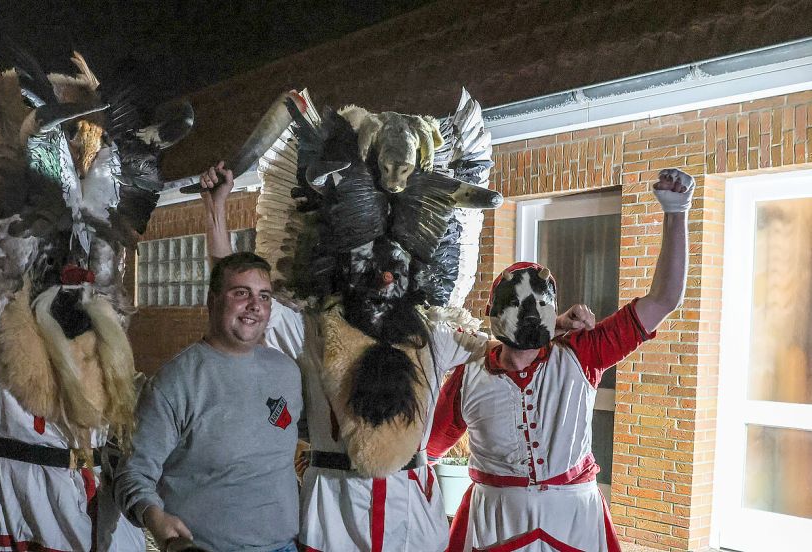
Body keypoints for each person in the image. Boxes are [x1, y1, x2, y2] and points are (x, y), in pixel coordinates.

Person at [198, 162, 592, 552]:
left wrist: (549, 322)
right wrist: (216, 210)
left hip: (414, 524)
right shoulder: (312, 331)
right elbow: (238, 288)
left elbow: (505, 346)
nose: (385, 277)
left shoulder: (434, 337)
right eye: (370, 264)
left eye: (396, 265)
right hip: (332, 520)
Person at [0, 87, 144, 551]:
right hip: (15, 509)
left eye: (84, 257)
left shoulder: (109, 339)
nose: (74, 271)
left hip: (102, 516)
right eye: (59, 255)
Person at [427, 168, 695, 552]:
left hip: (574, 521)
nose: (530, 315)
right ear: (493, 313)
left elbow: (663, 300)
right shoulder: (469, 372)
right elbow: (427, 452)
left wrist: (676, 211)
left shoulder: (583, 352)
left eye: (539, 307)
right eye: (519, 307)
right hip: (494, 522)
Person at [114, 252, 303, 552]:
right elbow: (133, 471)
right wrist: (153, 515)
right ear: (212, 301)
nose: (255, 305)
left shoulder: (287, 373)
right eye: (241, 293)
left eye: (264, 296)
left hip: (284, 547)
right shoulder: (176, 381)